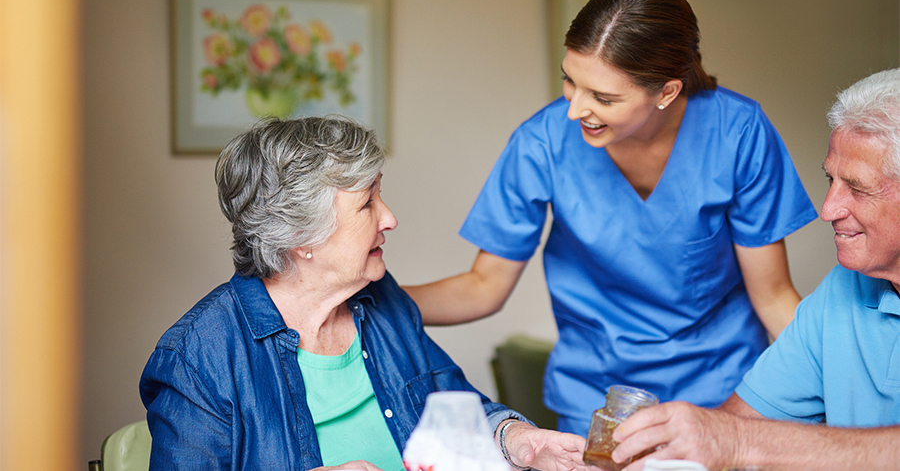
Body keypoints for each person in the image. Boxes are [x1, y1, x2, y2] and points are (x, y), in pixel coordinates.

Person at [403, 0, 817, 435]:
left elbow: (775, 298)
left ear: (666, 92)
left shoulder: (737, 134)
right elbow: (483, 286)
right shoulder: (542, 143)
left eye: (603, 97)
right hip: (596, 400)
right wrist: (368, 301)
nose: (575, 109)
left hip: (722, 395)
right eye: (570, 81)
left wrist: (847, 392)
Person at [139, 117, 591, 471]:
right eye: (367, 203)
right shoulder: (199, 357)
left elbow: (459, 411)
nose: (389, 217)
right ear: (302, 237)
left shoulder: (381, 300)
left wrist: (517, 441)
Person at [609, 68, 900, 471]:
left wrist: (741, 443)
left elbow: (739, 439)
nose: (828, 209)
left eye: (858, 187)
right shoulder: (842, 292)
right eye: (830, 179)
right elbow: (733, 428)